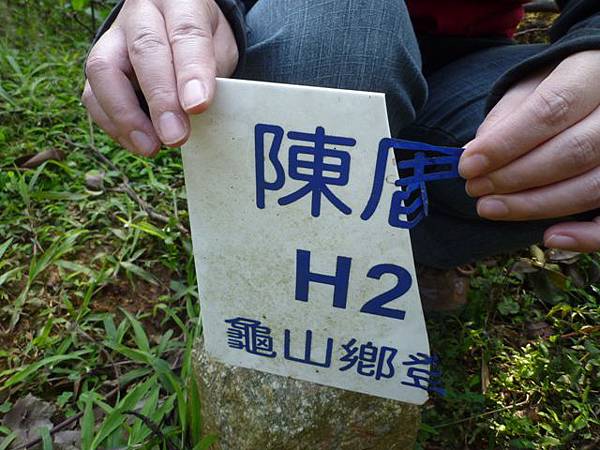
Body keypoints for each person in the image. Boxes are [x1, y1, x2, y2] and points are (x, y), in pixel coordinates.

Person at [82, 0, 600, 310]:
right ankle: (285, 275)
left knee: (567, 143)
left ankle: (393, 259)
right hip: (306, 28)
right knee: (342, 35)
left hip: (471, 59)